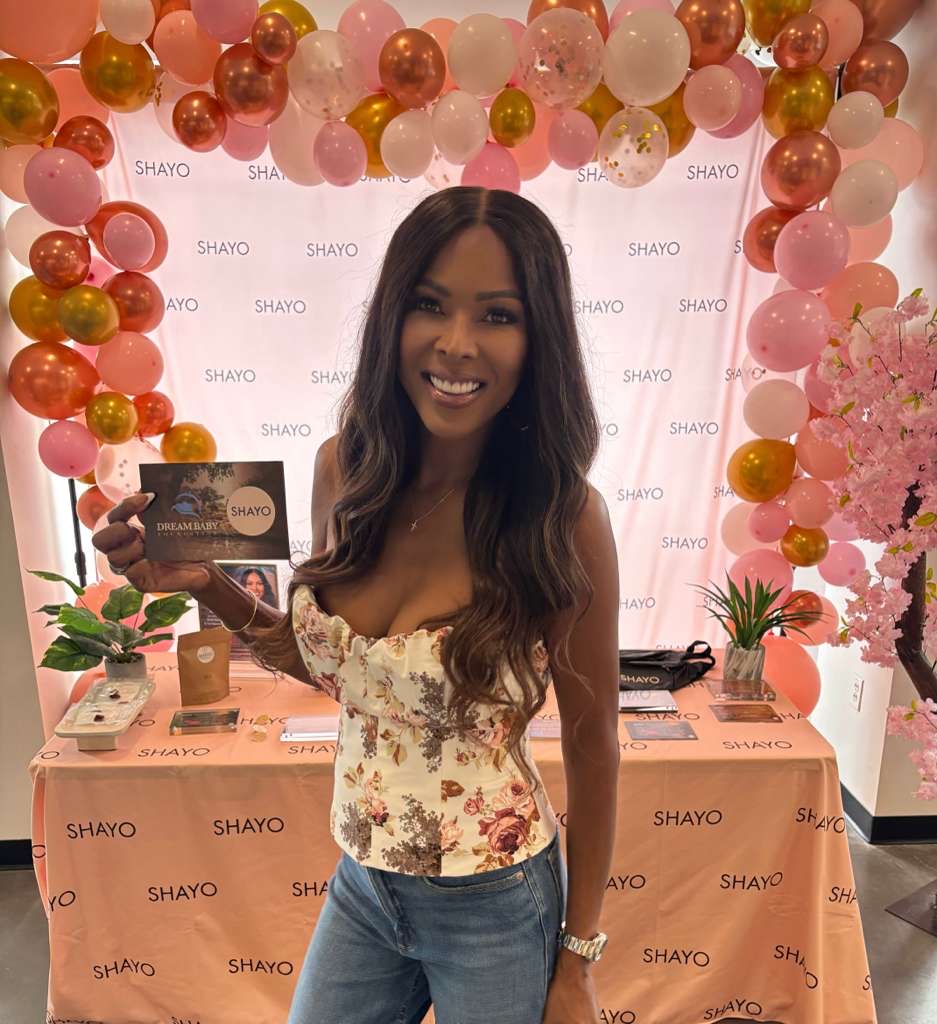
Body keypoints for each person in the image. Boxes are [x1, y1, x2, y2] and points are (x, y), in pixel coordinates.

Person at [93, 186, 621, 1024]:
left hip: (495, 896)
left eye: (496, 315)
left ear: (538, 338)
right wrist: (207, 584)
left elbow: (595, 746)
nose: (455, 344)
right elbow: (339, 668)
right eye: (428, 305)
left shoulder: (561, 517)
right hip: (363, 883)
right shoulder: (346, 468)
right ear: (392, 317)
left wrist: (578, 959)